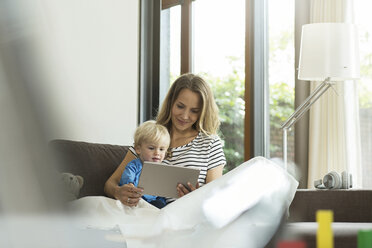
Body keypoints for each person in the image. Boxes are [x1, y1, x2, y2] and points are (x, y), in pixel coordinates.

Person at [104, 73, 226, 207]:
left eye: (194, 111)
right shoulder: (150, 136)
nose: (185, 116)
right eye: (180, 106)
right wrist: (118, 192)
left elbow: (216, 199)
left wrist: (196, 198)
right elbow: (110, 184)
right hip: (144, 215)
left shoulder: (210, 144)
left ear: (202, 111)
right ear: (171, 103)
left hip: (187, 219)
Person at [119, 120, 170, 208]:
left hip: (154, 201)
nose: (157, 153)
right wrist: (130, 185)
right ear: (138, 149)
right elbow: (127, 178)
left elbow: (163, 191)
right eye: (151, 148)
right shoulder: (134, 165)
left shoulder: (162, 170)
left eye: (161, 149)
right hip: (138, 198)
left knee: (161, 205)